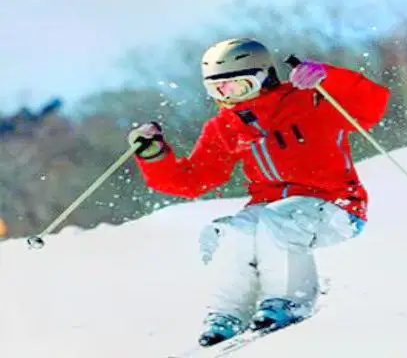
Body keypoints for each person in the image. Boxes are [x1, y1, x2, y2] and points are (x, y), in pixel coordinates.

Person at [126, 38, 390, 347]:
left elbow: (371, 105)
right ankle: (228, 314)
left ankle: (291, 300)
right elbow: (192, 180)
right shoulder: (225, 127)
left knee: (276, 219)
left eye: (238, 86)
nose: (228, 97)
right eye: (218, 89)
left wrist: (328, 78)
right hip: (271, 211)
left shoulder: (309, 100)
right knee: (233, 232)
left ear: (263, 76)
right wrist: (155, 156)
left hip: (335, 206)